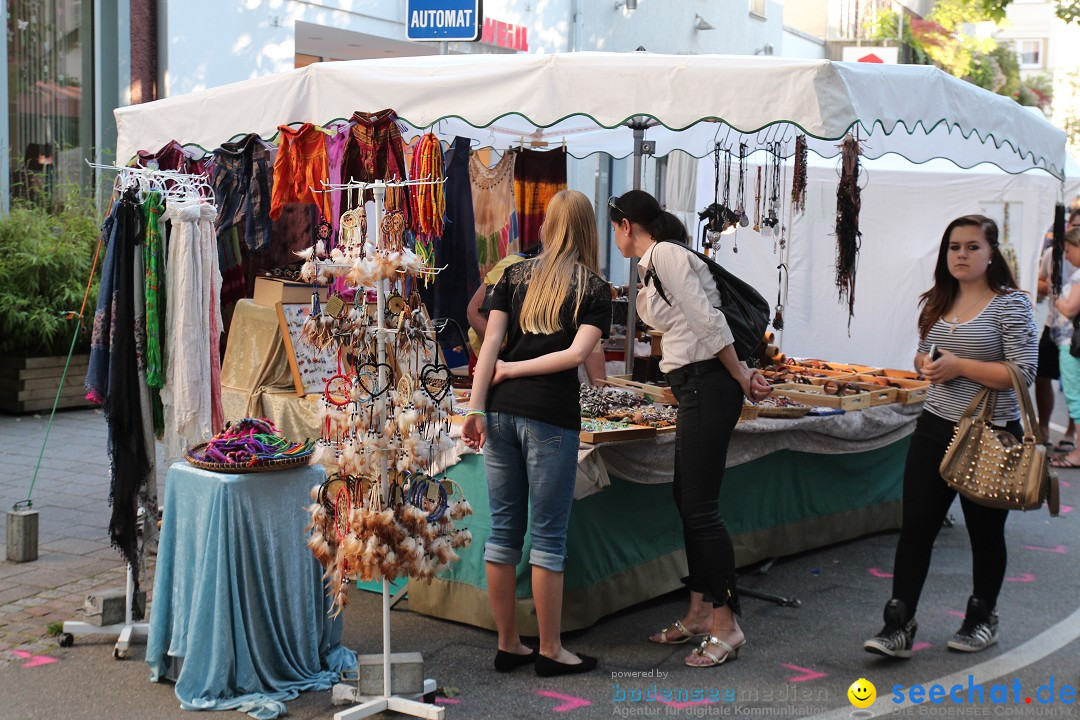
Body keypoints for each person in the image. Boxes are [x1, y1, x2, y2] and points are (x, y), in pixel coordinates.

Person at [608, 189, 771, 668]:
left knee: (700, 507)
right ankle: (700, 611)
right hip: (697, 385)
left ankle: (727, 623)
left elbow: (707, 320)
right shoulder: (653, 265)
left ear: (626, 226)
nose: (614, 233)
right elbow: (686, 321)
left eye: (615, 225)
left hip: (707, 385)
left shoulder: (666, 254)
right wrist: (740, 370)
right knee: (689, 499)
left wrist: (739, 374)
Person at [864, 215, 1038, 658]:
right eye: (954, 247)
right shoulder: (939, 300)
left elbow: (1023, 373)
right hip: (935, 426)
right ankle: (897, 623)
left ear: (992, 253)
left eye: (972, 247)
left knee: (984, 532)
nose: (961, 254)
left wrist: (959, 365)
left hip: (991, 434)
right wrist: (927, 363)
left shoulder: (1010, 305)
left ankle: (982, 618)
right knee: (916, 528)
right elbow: (928, 352)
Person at [462, 189, 611, 677]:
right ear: (589, 230)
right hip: (551, 416)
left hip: (502, 413)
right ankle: (550, 650)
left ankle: (509, 644)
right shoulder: (592, 287)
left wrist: (477, 403)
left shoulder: (513, 274)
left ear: (548, 225)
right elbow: (574, 358)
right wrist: (507, 375)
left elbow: (490, 344)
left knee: (503, 530)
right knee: (548, 536)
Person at [467, 251, 607, 384]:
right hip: (494, 360)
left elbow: (591, 343)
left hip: (531, 374)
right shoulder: (513, 268)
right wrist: (501, 354)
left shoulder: (583, 283)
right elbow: (474, 311)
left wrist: (601, 389)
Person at [1034, 210, 1080, 452]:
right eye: (1074, 225)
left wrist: (1059, 296)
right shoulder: (1053, 255)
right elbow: (1040, 282)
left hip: (1073, 333)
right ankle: (1043, 428)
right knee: (1042, 375)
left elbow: (1070, 308)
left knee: (1074, 386)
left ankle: (1073, 434)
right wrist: (1049, 287)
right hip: (1053, 327)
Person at [1051, 227, 1080, 469]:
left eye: (1070, 251)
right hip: (1071, 343)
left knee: (1075, 397)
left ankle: (1078, 453)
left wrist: (1055, 295)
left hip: (1072, 344)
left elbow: (1070, 308)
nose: (1067, 256)